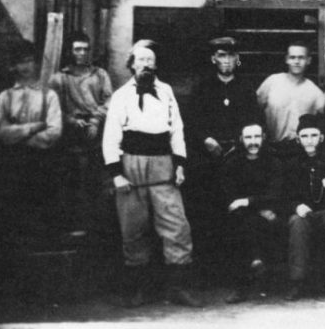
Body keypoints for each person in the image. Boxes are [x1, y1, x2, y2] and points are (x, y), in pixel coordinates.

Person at [102, 39, 201, 308]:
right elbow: (111, 136)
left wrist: (180, 164)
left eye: (150, 59)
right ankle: (140, 291)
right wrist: (116, 173)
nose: (145, 64)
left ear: (155, 64)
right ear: (131, 64)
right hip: (131, 168)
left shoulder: (167, 91)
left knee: (176, 227)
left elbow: (176, 130)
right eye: (140, 59)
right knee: (134, 230)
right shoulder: (121, 95)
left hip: (163, 166)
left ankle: (178, 288)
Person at [0, 39, 63, 297]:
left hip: (40, 168)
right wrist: (32, 128)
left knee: (39, 222)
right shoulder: (4, 97)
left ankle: (40, 287)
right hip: (12, 169)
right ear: (13, 66)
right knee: (12, 223)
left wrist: (17, 133)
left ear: (35, 63)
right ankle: (12, 286)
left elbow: (54, 132)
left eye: (28, 61)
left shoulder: (49, 95)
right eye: (19, 62)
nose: (24, 67)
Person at [185, 36, 261, 268]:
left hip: (236, 157)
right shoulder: (202, 87)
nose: (226, 61)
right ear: (213, 58)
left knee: (235, 212)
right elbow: (191, 121)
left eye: (230, 56)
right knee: (207, 212)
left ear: (236, 59)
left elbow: (254, 122)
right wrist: (206, 139)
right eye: (221, 55)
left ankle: (235, 269)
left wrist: (240, 145)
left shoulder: (245, 88)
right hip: (208, 158)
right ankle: (207, 270)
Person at [48, 31, 112, 235]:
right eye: (77, 49)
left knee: (96, 177)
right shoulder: (60, 78)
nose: (82, 53)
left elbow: (109, 100)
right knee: (71, 178)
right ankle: (71, 225)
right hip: (70, 133)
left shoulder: (100, 74)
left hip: (96, 131)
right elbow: (53, 106)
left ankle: (95, 227)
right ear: (70, 51)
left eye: (85, 49)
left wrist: (95, 120)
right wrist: (72, 121)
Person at [283, 114, 325, 301]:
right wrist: (296, 206)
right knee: (297, 223)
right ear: (298, 139)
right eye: (304, 136)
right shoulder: (291, 164)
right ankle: (297, 281)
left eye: (313, 135)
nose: (309, 140)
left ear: (321, 138)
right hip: (305, 213)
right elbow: (284, 195)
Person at [218, 121, 284, 303]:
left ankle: (256, 271)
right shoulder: (231, 163)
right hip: (244, 215)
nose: (253, 141)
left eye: (256, 137)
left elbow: (275, 193)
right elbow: (230, 197)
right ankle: (251, 270)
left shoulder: (274, 162)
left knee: (255, 223)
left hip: (267, 212)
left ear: (263, 138)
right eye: (248, 137)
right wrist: (257, 206)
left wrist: (248, 201)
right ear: (241, 139)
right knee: (242, 223)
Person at [257, 40, 325, 157]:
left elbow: (323, 121)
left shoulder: (314, 92)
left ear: (308, 60)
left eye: (301, 57)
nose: (296, 61)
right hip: (272, 149)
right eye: (293, 57)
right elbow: (255, 110)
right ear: (286, 59)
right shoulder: (272, 82)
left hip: (300, 152)